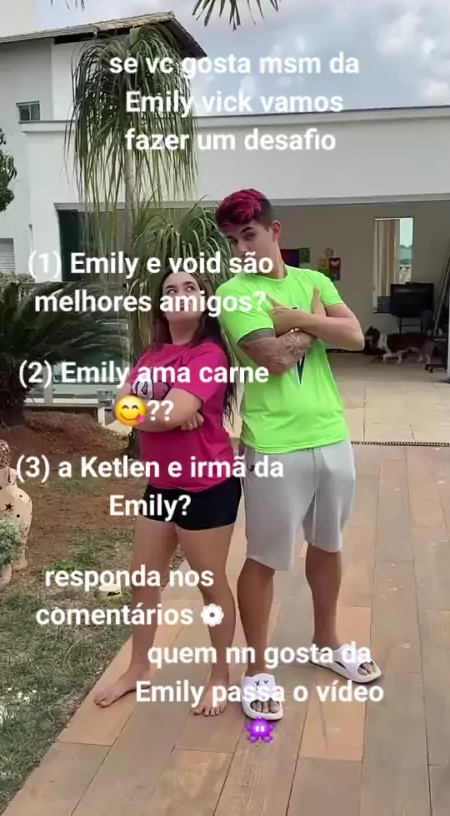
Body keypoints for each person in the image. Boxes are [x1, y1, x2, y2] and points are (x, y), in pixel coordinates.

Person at [214, 189, 381, 722]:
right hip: (273, 443)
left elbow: (355, 336)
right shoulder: (234, 294)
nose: (242, 249)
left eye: (250, 235)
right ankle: (258, 669)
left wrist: (296, 317)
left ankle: (326, 643)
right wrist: (312, 321)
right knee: (264, 557)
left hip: (331, 434)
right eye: (233, 241)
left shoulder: (315, 281)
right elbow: (274, 358)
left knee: (329, 545)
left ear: (275, 231)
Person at [94, 270, 242, 716]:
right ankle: (139, 667)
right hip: (161, 484)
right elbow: (121, 407)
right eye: (170, 290)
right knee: (143, 580)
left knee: (211, 587)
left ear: (205, 302)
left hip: (206, 486)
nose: (179, 295)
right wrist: (165, 412)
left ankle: (220, 675)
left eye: (190, 288)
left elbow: (151, 411)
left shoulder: (209, 354)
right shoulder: (153, 354)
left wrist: (164, 411)